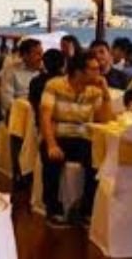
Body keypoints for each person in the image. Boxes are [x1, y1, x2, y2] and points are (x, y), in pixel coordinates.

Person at [38, 52, 114, 227]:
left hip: (82, 136)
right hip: (58, 134)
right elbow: (45, 117)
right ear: (79, 72)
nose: (99, 73)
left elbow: (105, 120)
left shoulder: (94, 90)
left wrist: (106, 94)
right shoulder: (54, 85)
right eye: (94, 69)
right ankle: (53, 209)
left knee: (97, 162)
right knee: (52, 161)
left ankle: (86, 210)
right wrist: (51, 144)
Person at [0, 39, 43, 116]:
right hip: (18, 114)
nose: (41, 57)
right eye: (37, 54)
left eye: (42, 53)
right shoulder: (12, 71)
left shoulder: (44, 72)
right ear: (25, 55)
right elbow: (7, 101)